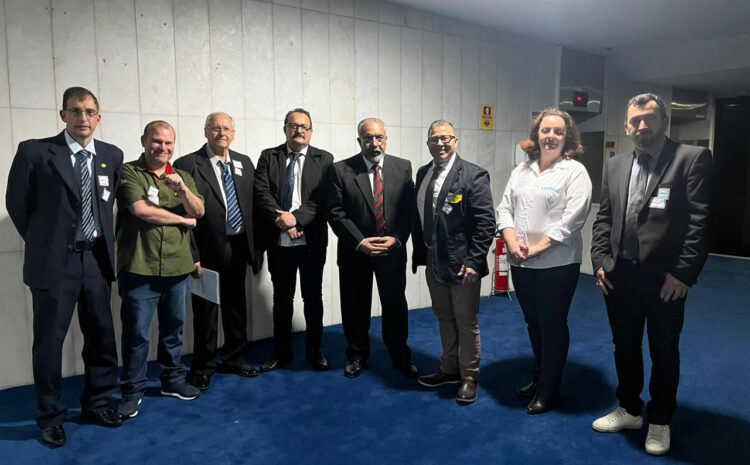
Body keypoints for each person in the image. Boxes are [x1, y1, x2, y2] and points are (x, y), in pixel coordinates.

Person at [590, 93, 713, 455]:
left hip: (665, 281)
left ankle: (660, 419)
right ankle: (629, 408)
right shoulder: (614, 164)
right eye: (635, 121)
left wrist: (684, 274)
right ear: (627, 126)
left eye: (649, 118)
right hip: (619, 276)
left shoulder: (690, 159)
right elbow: (605, 218)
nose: (642, 126)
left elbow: (700, 222)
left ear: (663, 121)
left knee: (663, 350)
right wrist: (599, 260)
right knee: (624, 346)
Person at [5, 86, 124, 446]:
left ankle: (99, 403)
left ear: (99, 117)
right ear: (62, 116)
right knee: (49, 344)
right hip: (55, 264)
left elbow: (108, 206)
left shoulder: (111, 155)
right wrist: (47, 244)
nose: (82, 118)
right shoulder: (35, 151)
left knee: (102, 337)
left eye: (89, 111)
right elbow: (17, 204)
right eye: (75, 111)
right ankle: (50, 416)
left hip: (96, 261)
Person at [496, 108, 592, 414]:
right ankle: (539, 377)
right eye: (545, 131)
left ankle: (550, 388)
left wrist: (536, 248)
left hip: (557, 264)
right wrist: (511, 241)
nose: (550, 136)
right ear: (536, 135)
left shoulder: (575, 172)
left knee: (551, 324)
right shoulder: (521, 171)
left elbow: (572, 220)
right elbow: (505, 208)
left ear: (568, 138)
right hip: (522, 262)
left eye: (558, 132)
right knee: (533, 322)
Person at [116, 121, 205, 419]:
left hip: (178, 268)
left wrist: (182, 191)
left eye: (168, 143)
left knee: (173, 329)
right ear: (144, 141)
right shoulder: (129, 172)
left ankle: (172, 380)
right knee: (137, 334)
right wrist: (181, 220)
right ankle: (132, 390)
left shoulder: (182, 176)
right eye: (157, 141)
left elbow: (199, 211)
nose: (162, 148)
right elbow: (141, 210)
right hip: (140, 267)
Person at [173, 112, 261, 392]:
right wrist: (192, 253)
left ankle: (234, 358)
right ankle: (203, 367)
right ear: (206, 132)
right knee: (206, 310)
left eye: (226, 128)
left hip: (238, 246)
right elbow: (182, 213)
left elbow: (253, 207)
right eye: (215, 128)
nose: (221, 132)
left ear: (233, 133)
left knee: (237, 306)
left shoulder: (244, 163)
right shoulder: (187, 164)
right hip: (207, 249)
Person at [327, 118, 418, 379]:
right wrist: (360, 241)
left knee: (395, 306)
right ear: (359, 141)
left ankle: (400, 355)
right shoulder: (340, 170)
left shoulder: (402, 168)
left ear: (386, 139)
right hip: (356, 252)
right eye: (368, 138)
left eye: (379, 137)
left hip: (391, 251)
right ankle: (356, 355)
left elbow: (407, 211)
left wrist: (397, 238)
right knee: (355, 305)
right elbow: (335, 212)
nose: (374, 143)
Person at [412, 120, 495, 404]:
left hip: (463, 266)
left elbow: (486, 224)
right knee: (444, 318)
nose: (440, 144)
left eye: (446, 138)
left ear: (456, 141)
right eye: (434, 139)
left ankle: (469, 377)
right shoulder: (424, 173)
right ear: (428, 144)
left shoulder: (473, 175)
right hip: (433, 262)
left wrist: (474, 261)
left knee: (465, 321)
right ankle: (448, 369)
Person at [254, 108, 334, 372]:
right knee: (282, 298)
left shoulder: (325, 159)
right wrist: (283, 220)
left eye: (304, 126)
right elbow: (261, 192)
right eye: (293, 125)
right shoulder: (269, 156)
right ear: (285, 128)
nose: (299, 130)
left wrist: (297, 219)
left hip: (310, 240)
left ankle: (315, 350)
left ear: (311, 131)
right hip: (279, 240)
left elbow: (321, 198)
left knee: (313, 298)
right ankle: (282, 351)